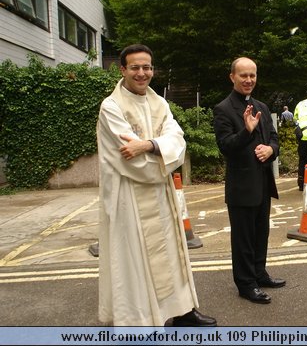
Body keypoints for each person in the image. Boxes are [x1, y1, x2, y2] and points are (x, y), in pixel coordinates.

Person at [97, 44, 216, 327]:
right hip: (129, 196)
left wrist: (150, 145)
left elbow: (178, 138)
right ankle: (141, 321)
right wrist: (162, 154)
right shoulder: (111, 107)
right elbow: (128, 158)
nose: (142, 73)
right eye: (135, 67)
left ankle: (183, 311)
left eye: (147, 67)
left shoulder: (159, 103)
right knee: (135, 261)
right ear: (123, 69)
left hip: (161, 194)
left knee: (173, 253)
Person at [213, 57, 285, 305]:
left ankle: (259, 274)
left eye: (252, 75)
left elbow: (274, 139)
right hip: (242, 186)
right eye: (243, 75)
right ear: (232, 77)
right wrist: (247, 131)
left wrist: (270, 150)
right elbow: (226, 147)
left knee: (260, 233)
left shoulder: (262, 107)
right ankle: (245, 284)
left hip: (263, 183)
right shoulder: (223, 109)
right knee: (243, 238)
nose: (248, 80)